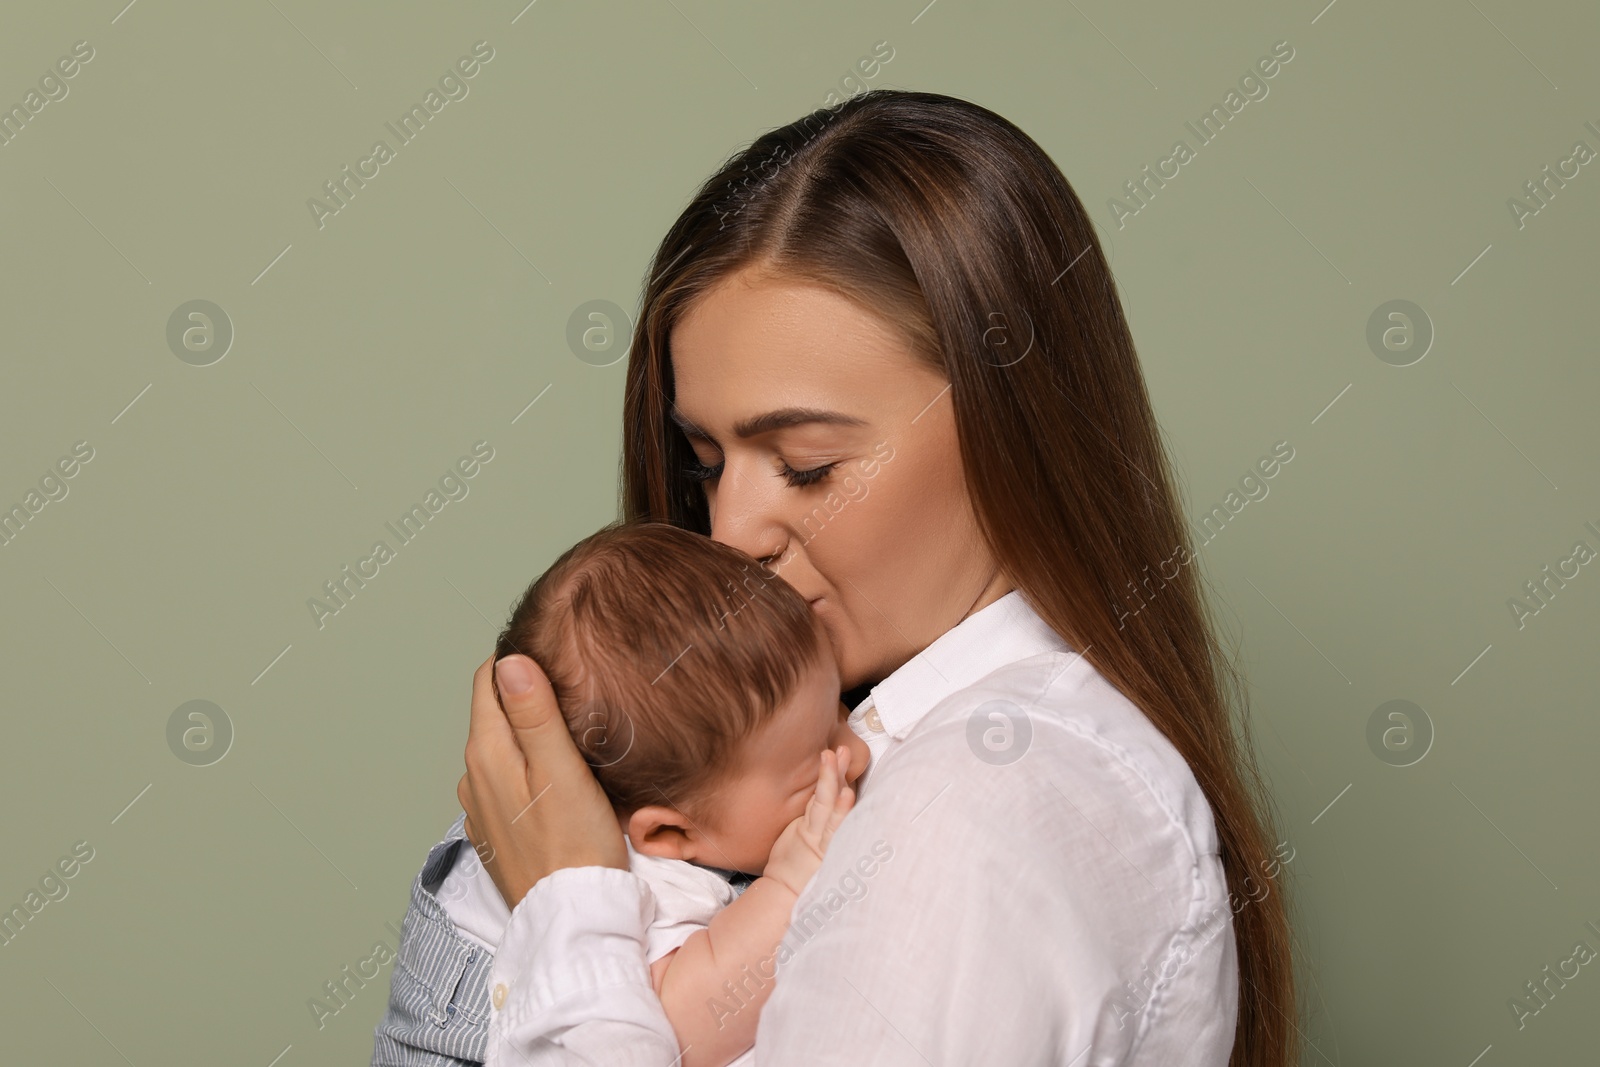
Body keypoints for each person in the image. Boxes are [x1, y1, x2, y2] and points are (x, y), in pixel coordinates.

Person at [374, 87, 1297, 1066]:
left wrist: (566, 894)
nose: (729, 533)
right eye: (705, 464)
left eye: (808, 464)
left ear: (1009, 430)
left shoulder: (972, 808)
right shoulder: (846, 743)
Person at [437, 520, 868, 1067]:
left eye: (838, 708)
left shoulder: (686, 799)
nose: (859, 751)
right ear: (669, 832)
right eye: (815, 767)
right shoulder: (653, 884)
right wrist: (788, 889)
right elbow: (682, 1028)